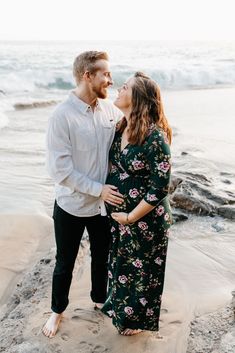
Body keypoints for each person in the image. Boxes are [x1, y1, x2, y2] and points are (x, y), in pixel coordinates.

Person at [42, 51, 123, 338]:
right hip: (71, 204)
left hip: (103, 207)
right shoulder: (61, 117)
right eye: (105, 74)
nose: (110, 81)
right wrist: (98, 189)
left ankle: (100, 300)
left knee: (103, 257)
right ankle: (57, 311)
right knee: (65, 261)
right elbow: (59, 171)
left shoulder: (110, 111)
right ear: (88, 75)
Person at [101, 72, 172, 336]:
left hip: (146, 220)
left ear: (139, 98)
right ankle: (122, 314)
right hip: (121, 217)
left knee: (142, 274)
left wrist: (131, 216)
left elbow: (159, 188)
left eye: (126, 87)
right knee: (122, 267)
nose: (119, 89)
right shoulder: (121, 126)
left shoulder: (155, 137)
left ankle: (137, 322)